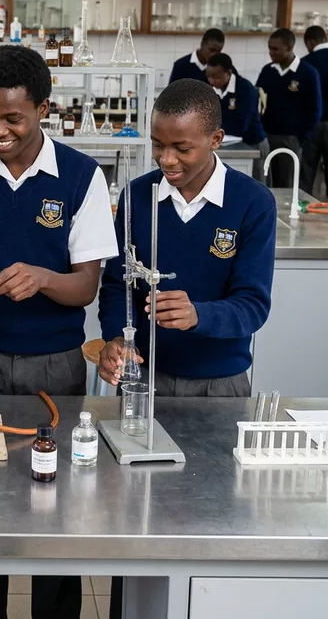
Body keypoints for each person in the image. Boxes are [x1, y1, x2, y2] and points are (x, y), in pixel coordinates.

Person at [0, 45, 118, 619]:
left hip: (54, 364)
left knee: (52, 508)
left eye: (12, 118)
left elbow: (86, 288)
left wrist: (42, 278)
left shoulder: (82, 178)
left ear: (43, 108)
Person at [98, 80, 276, 619]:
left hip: (220, 389)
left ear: (216, 139)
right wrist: (114, 337)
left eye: (181, 147)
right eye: (157, 144)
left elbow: (253, 305)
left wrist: (202, 314)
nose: (165, 159)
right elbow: (115, 283)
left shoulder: (251, 203)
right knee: (135, 520)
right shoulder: (137, 197)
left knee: (213, 519)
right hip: (146, 386)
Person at [256, 28, 322, 188]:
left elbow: (315, 108)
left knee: (288, 185)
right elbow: (258, 99)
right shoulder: (268, 71)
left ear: (289, 47)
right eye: (269, 48)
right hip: (268, 136)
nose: (271, 53)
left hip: (292, 139)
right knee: (266, 182)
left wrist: (302, 138)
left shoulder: (307, 72)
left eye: (275, 49)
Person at [205, 52, 269, 182]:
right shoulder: (213, 90)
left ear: (228, 73)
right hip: (230, 143)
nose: (211, 80)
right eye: (208, 76)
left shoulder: (246, 89)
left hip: (253, 143)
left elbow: (241, 123)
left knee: (257, 183)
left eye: (215, 77)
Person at [300, 25, 328, 195]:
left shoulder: (306, 64)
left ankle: (303, 210)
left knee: (306, 170)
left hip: (313, 124)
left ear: (310, 42)